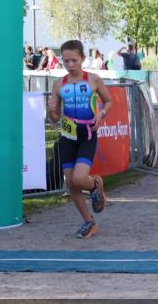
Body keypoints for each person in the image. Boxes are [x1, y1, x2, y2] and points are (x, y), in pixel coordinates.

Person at [47, 39, 114, 239]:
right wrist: (51, 111)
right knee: (71, 184)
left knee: (79, 178)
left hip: (87, 135)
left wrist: (101, 115)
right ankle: (88, 222)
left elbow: (109, 101)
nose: (69, 65)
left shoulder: (93, 79)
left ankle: (95, 185)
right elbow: (56, 118)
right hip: (67, 137)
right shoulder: (59, 84)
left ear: (83, 59)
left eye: (74, 60)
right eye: (65, 61)